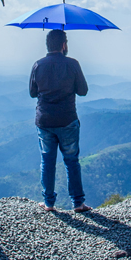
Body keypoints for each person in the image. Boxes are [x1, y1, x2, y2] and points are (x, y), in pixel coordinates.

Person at [29, 29, 91, 212]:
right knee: (71, 160)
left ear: (48, 45)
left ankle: (48, 203)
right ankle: (78, 203)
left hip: (44, 121)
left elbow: (32, 93)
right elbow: (83, 90)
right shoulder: (72, 64)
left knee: (47, 161)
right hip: (67, 120)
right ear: (64, 45)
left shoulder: (38, 65)